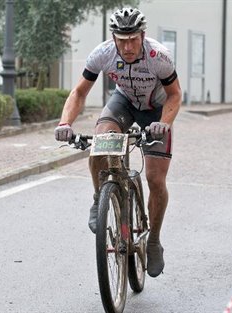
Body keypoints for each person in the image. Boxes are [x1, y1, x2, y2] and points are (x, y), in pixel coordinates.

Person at [54, 7, 182, 278]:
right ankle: (100, 196)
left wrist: (164, 124)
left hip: (156, 111)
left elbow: (174, 95)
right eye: (121, 40)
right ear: (113, 38)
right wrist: (65, 123)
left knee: (156, 180)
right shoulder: (102, 54)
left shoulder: (158, 56)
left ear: (142, 36)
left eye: (133, 39)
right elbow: (78, 92)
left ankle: (155, 241)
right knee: (100, 144)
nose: (127, 46)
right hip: (123, 102)